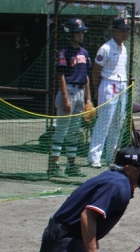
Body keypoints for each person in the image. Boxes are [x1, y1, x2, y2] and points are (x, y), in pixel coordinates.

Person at [49, 18, 91, 179]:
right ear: (70, 34)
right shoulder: (64, 52)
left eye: (82, 32)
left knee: (74, 131)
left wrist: (88, 99)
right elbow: (60, 75)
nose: (81, 35)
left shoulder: (84, 52)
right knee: (61, 130)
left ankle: (71, 166)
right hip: (68, 91)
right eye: (78, 33)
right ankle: (54, 166)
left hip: (80, 92)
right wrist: (65, 98)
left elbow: (86, 77)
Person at [88, 17, 132, 168]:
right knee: (104, 122)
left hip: (122, 85)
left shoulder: (124, 48)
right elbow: (96, 70)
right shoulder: (105, 48)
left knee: (118, 123)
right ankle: (94, 157)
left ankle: (112, 156)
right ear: (114, 30)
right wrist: (96, 89)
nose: (125, 33)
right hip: (108, 84)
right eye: (122, 30)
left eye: (127, 31)